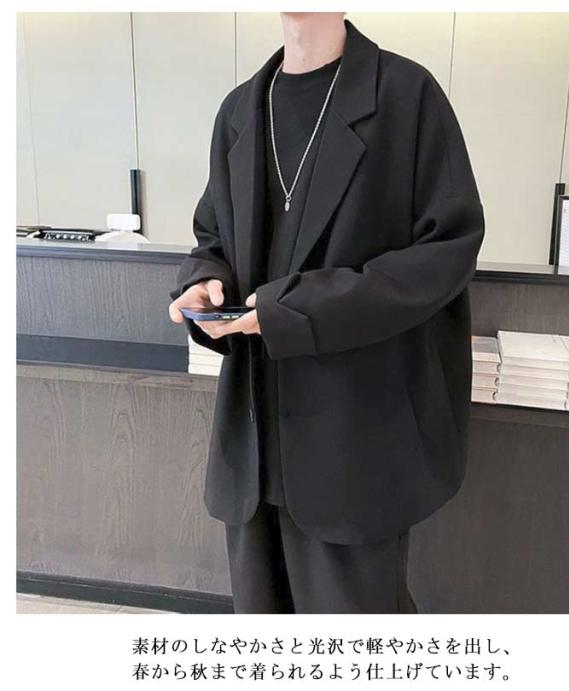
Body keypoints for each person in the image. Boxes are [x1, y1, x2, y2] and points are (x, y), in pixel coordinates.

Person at [168, 12, 485, 614]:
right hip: (254, 437)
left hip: (355, 434)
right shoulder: (239, 111)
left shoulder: (405, 95)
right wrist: (205, 280)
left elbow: (447, 249)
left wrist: (299, 310)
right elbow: (214, 233)